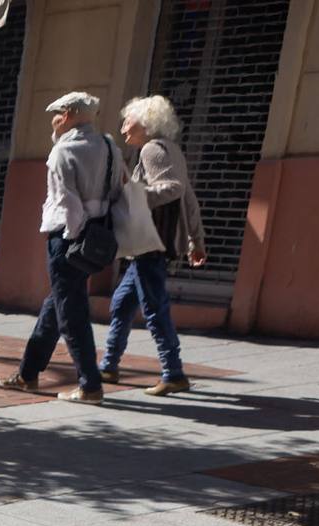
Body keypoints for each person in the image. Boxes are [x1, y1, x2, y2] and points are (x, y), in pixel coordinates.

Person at [0, 91, 114, 403]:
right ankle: (28, 374)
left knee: (70, 310)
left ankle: (90, 384)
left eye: (58, 112)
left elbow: (66, 200)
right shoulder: (107, 145)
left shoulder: (63, 150)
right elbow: (119, 187)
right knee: (57, 303)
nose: (54, 119)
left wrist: (74, 235)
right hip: (94, 237)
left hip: (66, 237)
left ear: (70, 114)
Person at [100, 94, 207, 398]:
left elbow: (173, 190)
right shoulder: (171, 149)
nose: (123, 128)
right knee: (122, 303)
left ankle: (173, 372)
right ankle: (108, 365)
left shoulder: (152, 149)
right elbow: (188, 197)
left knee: (154, 308)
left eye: (128, 120)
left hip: (151, 243)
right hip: (151, 244)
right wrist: (194, 241)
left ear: (146, 123)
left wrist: (131, 194)